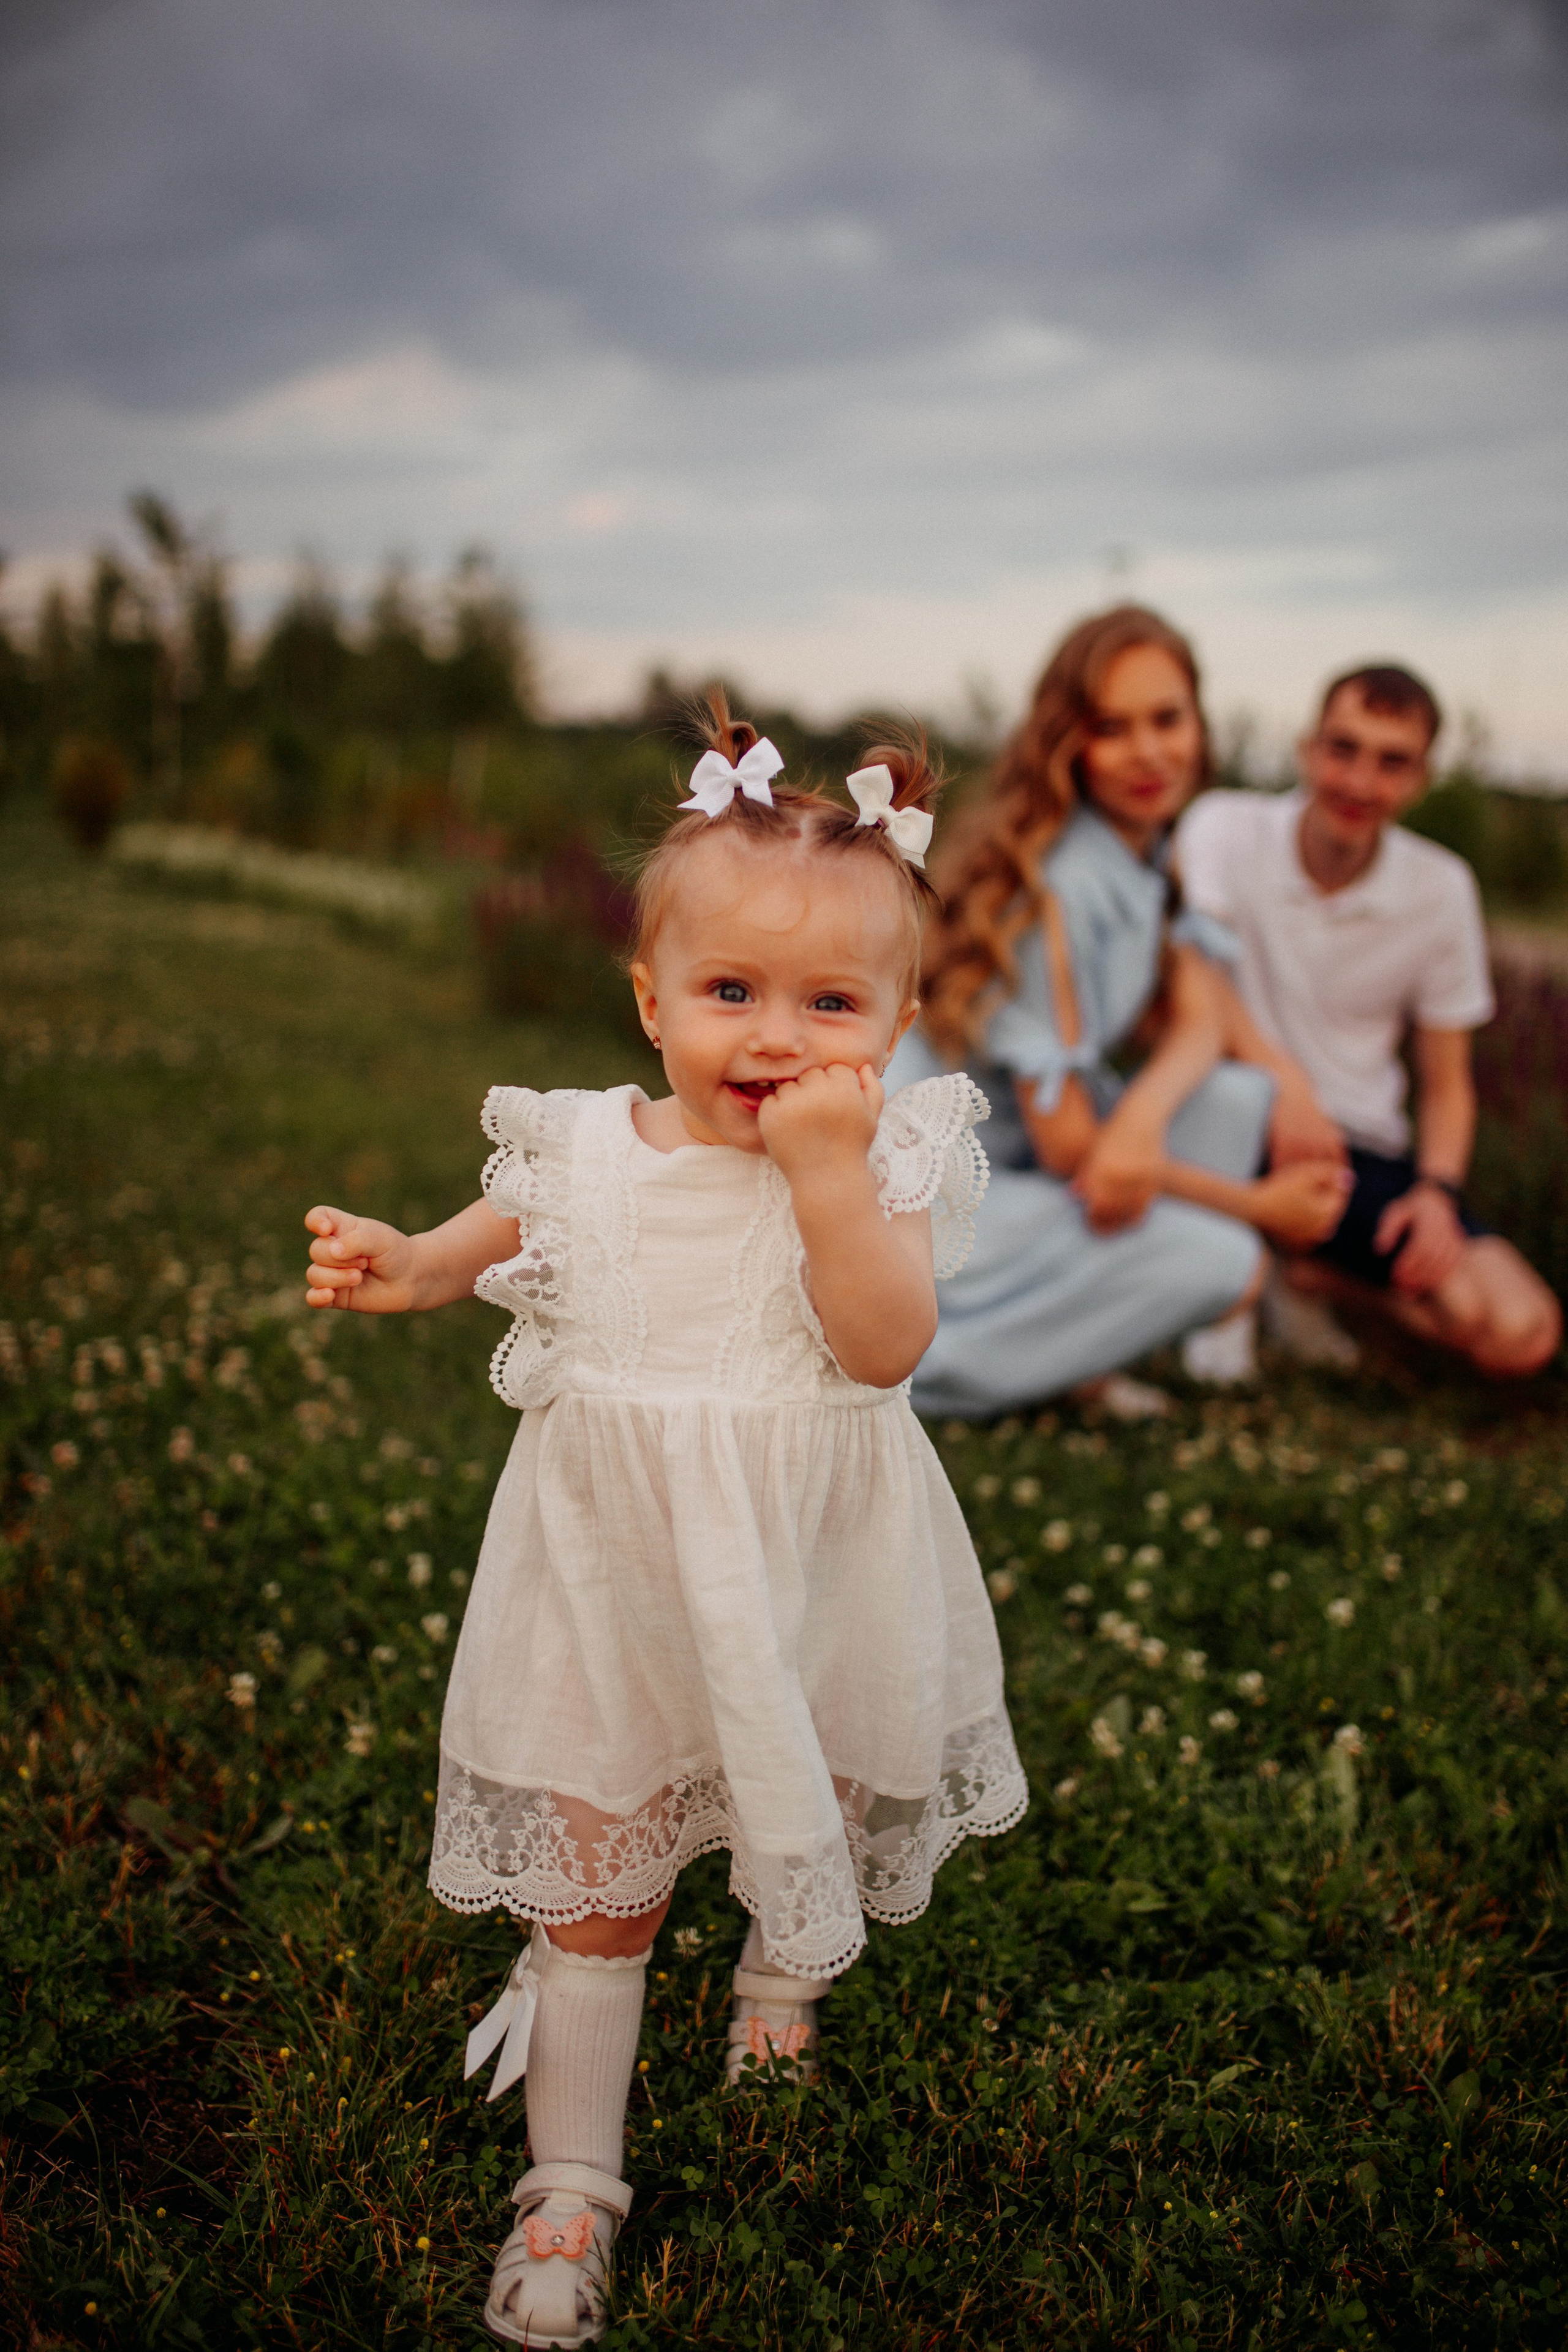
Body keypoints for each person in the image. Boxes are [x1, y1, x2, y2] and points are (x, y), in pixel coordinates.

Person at [301, 698, 1027, 2346]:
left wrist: (829, 1174)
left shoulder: (883, 1165)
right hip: (610, 1589)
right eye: (729, 992)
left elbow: (884, 1345)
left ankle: (777, 1981)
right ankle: (571, 2187)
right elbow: (489, 1235)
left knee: (802, 1785)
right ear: (650, 1001)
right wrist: (409, 1263)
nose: (774, 1037)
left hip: (808, 1571)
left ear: (898, 1023)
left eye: (829, 1002)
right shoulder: (581, 1149)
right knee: (599, 1883)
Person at [886, 605, 1349, 1420]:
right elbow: (1074, 1152)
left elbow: (1201, 1008)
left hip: (1017, 1176)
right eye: (1111, 727)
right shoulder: (1059, 885)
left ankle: (1067, 1354)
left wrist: (1286, 1092)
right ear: (1068, 744)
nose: (1149, 752)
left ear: (1199, 723)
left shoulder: (1144, 852)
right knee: (1231, 1260)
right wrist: (1260, 1209)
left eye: (1167, 719)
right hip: (926, 1202)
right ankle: (922, 1373)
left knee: (1240, 1096)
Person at [1175, 663, 1561, 1377]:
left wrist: (1436, 1195)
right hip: (1231, 1127)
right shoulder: (1225, 828)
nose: (1358, 782)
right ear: (1307, 748)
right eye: (1343, 749)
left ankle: (1309, 1279)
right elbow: (1191, 975)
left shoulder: (1441, 888)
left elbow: (1447, 1086)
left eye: (1392, 762)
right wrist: (1285, 1084)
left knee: (1520, 1332)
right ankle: (1231, 1285)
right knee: (1228, 1104)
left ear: (1420, 779)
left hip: (1357, 1154)